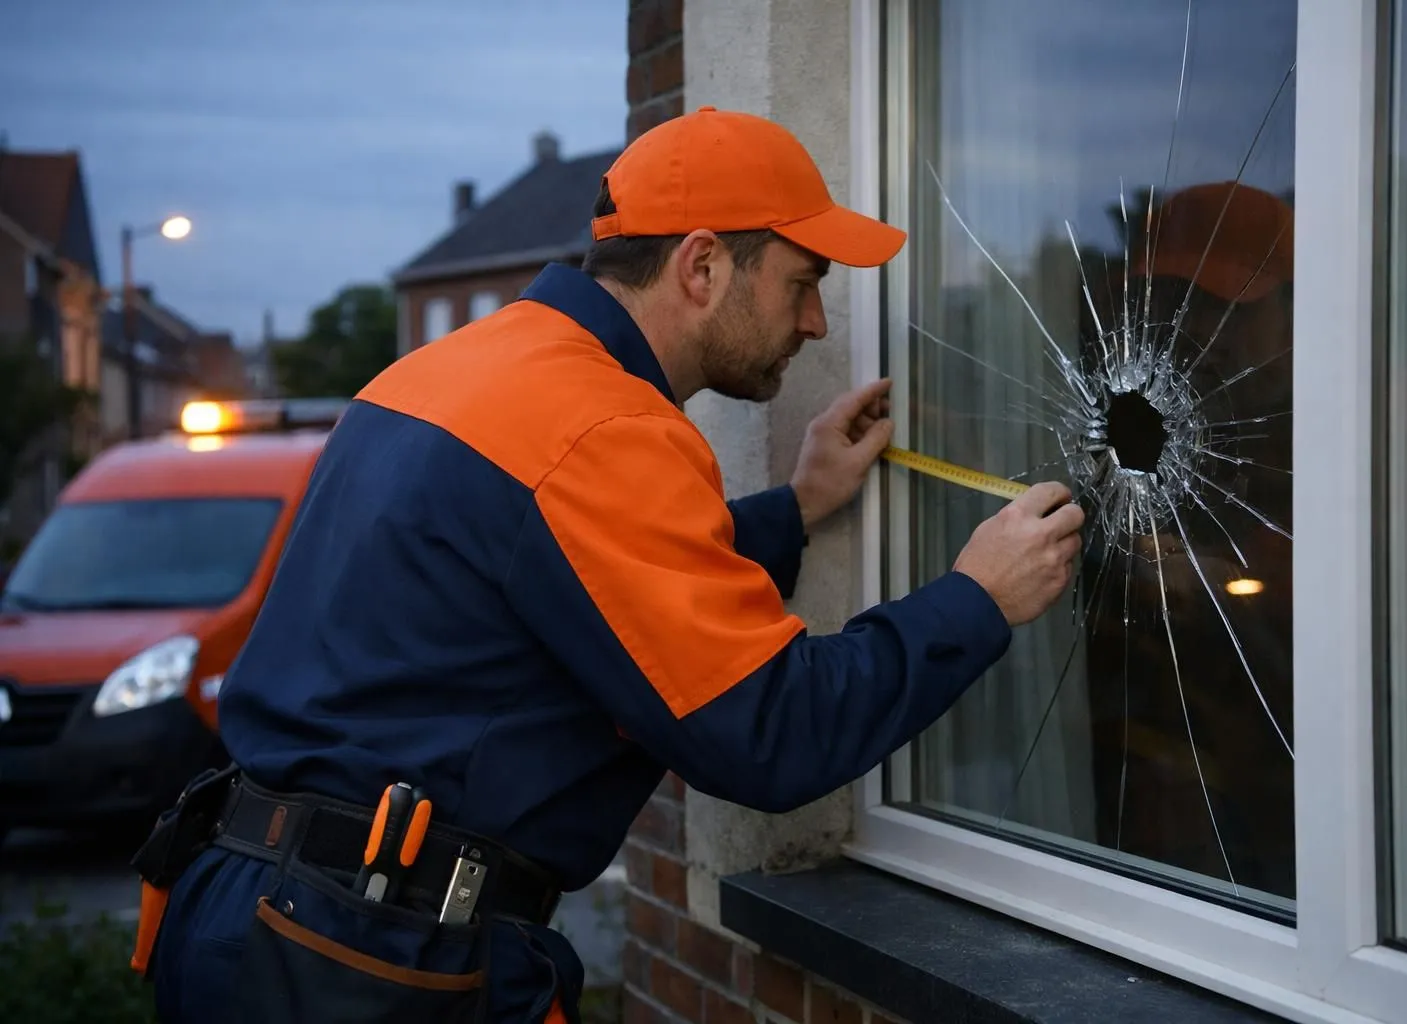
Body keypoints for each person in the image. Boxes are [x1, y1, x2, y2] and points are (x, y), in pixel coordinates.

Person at [135, 106, 1085, 1023]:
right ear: (703, 264)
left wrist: (795, 509)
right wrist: (977, 599)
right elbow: (771, 731)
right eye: (803, 281)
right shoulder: (605, 428)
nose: (818, 324)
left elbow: (564, 576)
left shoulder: (453, 371)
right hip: (362, 960)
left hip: (255, 907)